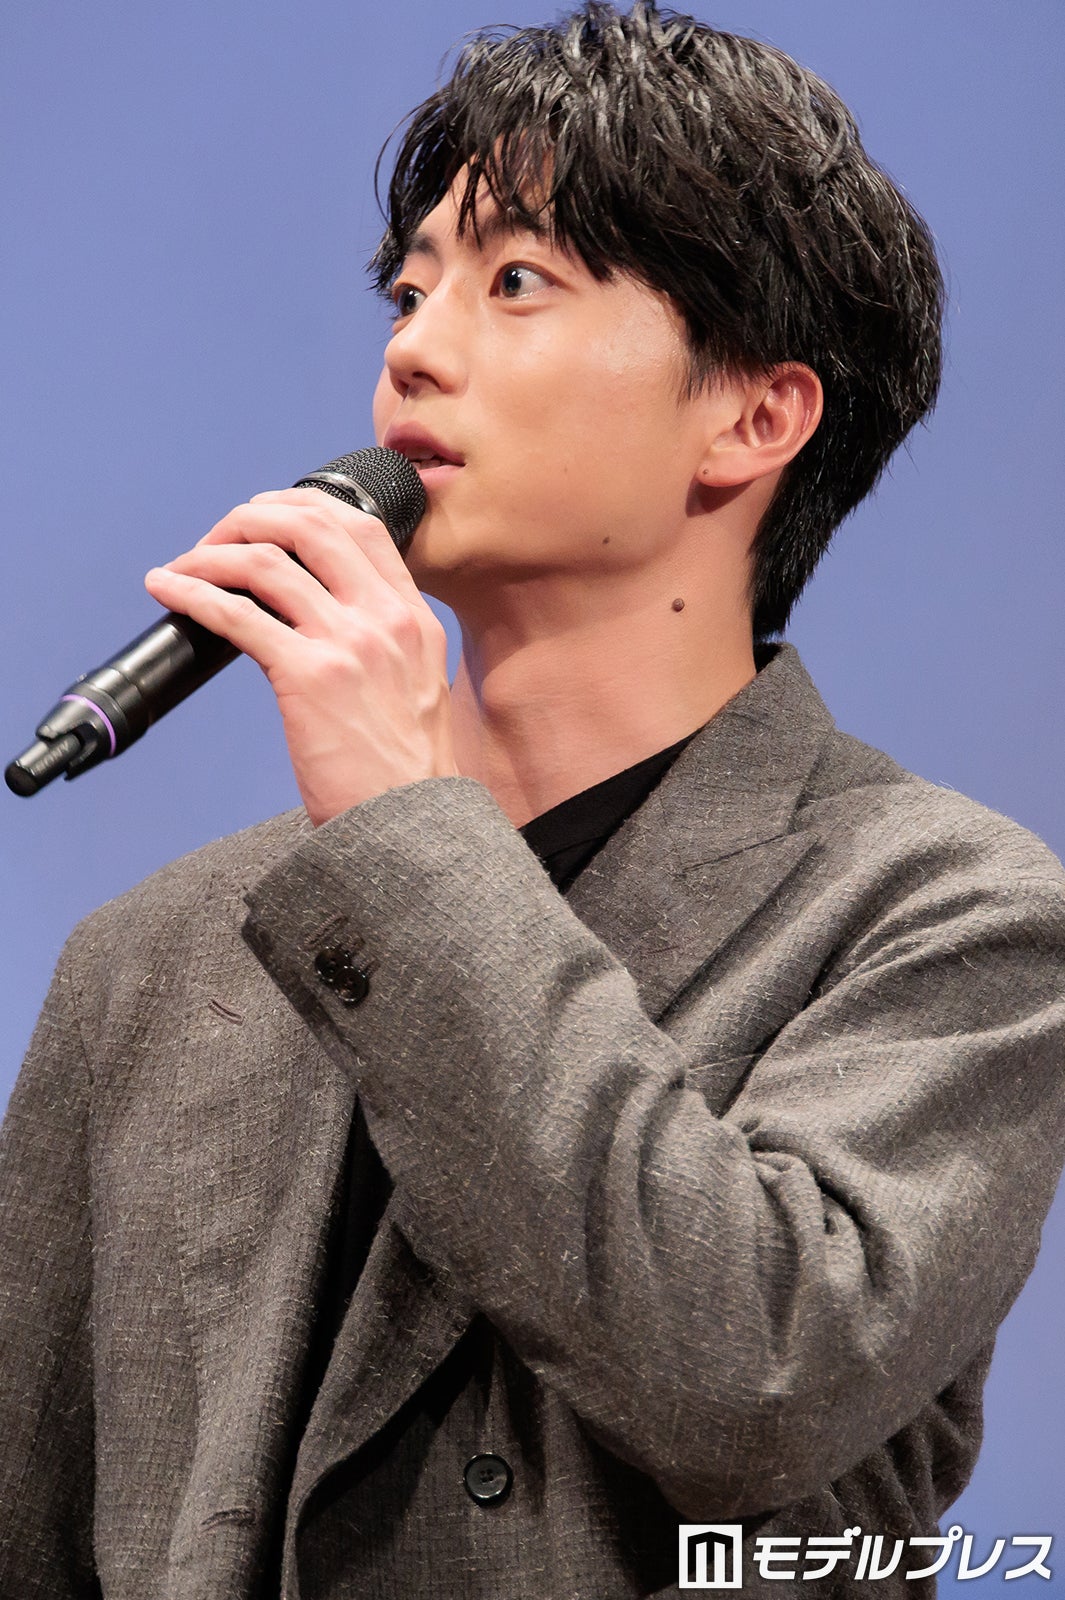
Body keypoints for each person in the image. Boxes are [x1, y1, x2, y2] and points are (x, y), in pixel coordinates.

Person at [2, 3, 1063, 1595]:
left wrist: (403, 832)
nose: (413, 349)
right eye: (409, 288)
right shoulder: (149, 961)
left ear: (752, 415)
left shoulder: (945, 913)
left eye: (514, 284)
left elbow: (755, 1372)